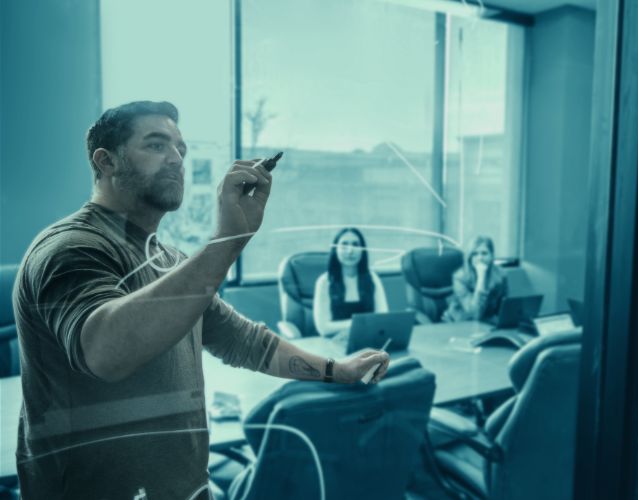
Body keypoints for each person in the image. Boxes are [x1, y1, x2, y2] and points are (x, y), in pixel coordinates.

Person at [11, 101, 390, 499]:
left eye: (181, 148)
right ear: (105, 161)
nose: (176, 158)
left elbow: (245, 341)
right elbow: (106, 352)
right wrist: (226, 241)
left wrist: (339, 370)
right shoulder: (69, 249)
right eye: (156, 146)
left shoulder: (169, 261)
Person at [313, 228, 388, 337]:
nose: (350, 250)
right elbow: (323, 328)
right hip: (334, 344)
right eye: (344, 244)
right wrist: (362, 323)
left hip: (368, 340)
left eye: (356, 244)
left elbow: (383, 318)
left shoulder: (372, 278)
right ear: (335, 250)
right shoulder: (324, 282)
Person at [442, 235, 508, 323]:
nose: (480, 258)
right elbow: (475, 314)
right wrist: (481, 278)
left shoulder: (501, 275)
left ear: (492, 256)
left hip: (486, 323)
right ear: (469, 258)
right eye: (475, 254)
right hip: (459, 322)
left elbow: (504, 308)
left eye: (484, 253)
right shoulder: (460, 278)